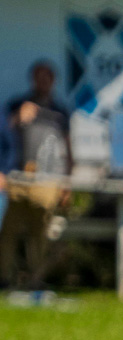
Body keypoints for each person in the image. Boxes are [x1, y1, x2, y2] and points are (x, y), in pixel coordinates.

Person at [0, 66, 72, 294]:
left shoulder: (60, 111)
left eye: (47, 77)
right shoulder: (17, 104)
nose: (43, 82)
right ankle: (4, 278)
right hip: (17, 177)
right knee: (8, 230)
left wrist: (67, 182)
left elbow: (68, 148)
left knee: (39, 231)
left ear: (53, 80)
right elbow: (4, 137)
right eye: (38, 77)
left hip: (47, 180)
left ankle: (35, 280)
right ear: (32, 79)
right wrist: (17, 118)